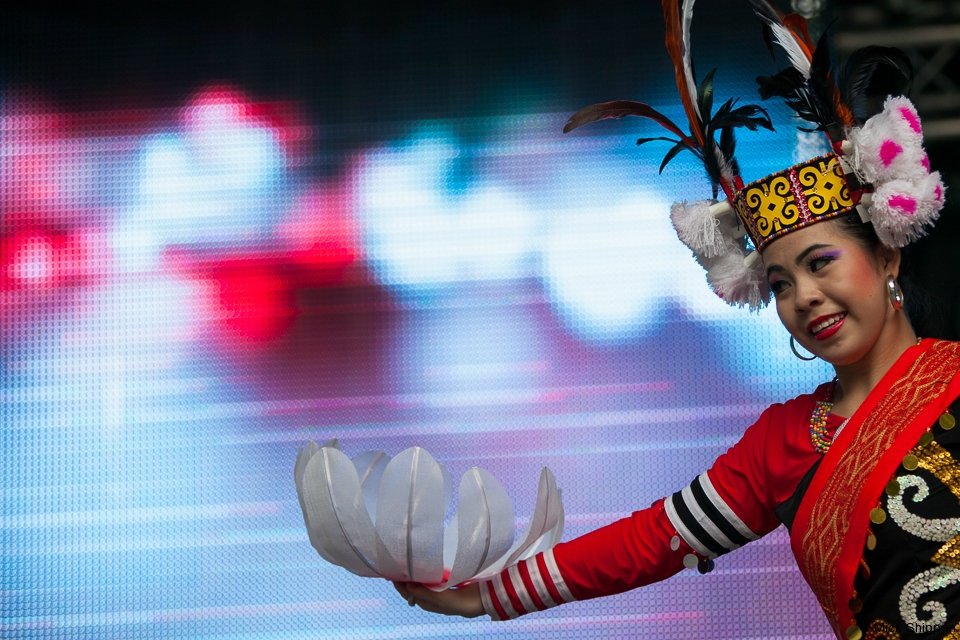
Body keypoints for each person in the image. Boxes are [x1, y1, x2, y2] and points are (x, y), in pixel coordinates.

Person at [396, 4, 960, 639]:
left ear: (886, 252)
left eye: (822, 263)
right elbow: (649, 542)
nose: (804, 297)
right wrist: (482, 597)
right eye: (780, 285)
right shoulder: (782, 444)